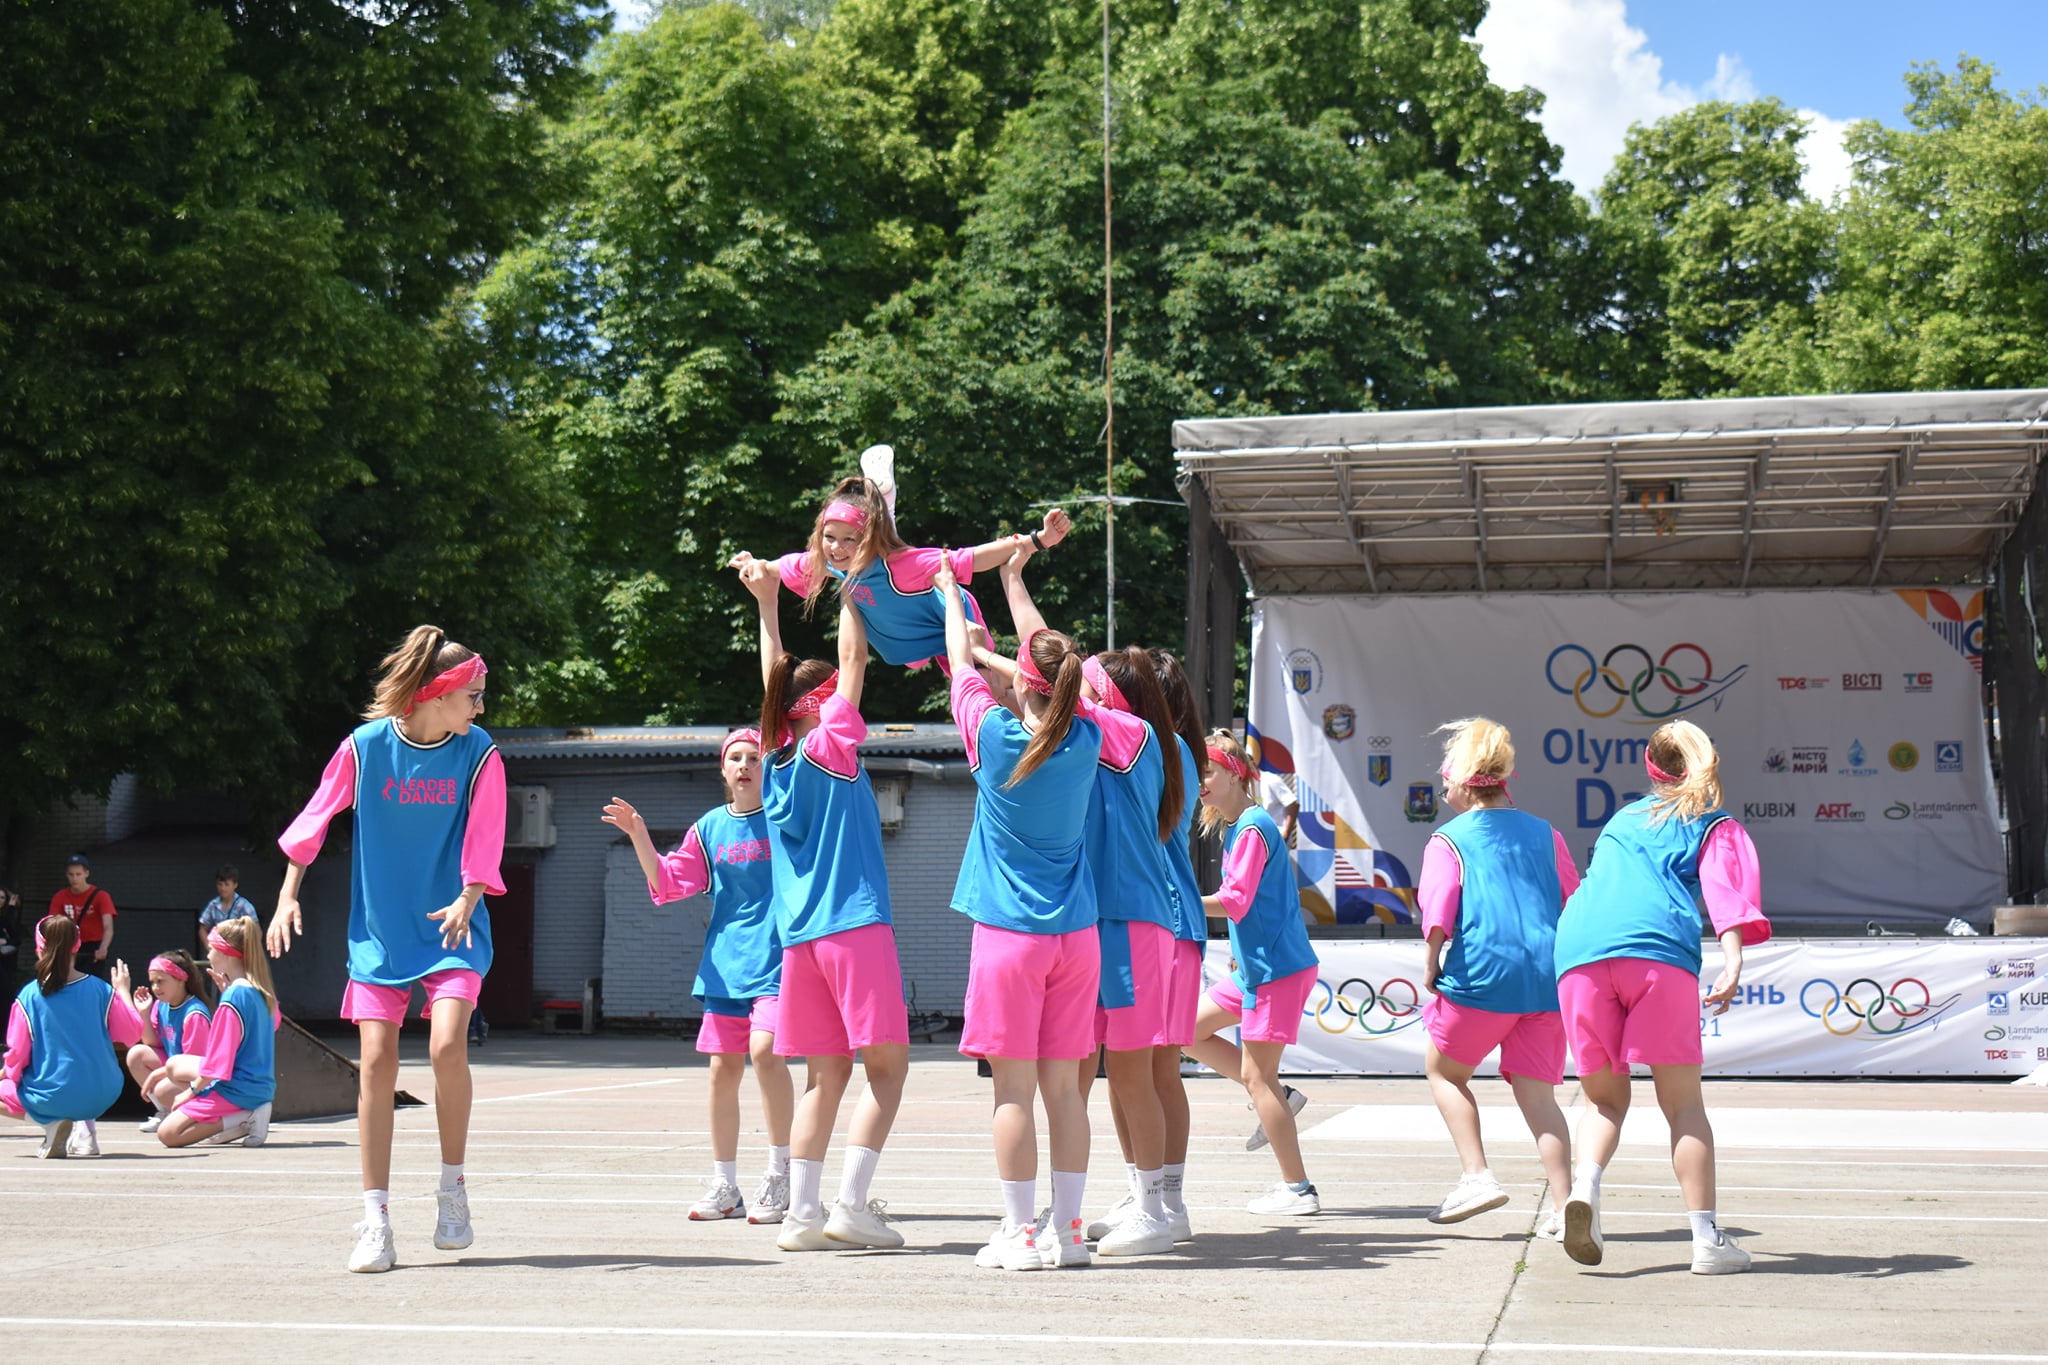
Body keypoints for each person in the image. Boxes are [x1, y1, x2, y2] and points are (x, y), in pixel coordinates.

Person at [268, 624, 506, 1274]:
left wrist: (469, 893)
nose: (481, 708)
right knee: (375, 1063)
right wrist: (288, 893)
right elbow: (315, 818)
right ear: (438, 692)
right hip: (380, 931)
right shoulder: (366, 748)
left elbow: (486, 833)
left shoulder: (478, 752)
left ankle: (452, 1188)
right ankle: (374, 1217)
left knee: (447, 1043)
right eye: (474, 696)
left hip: (455, 925)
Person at [938, 546, 1151, 1270]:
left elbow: (958, 667)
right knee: (1067, 1090)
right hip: (1077, 939)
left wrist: (948, 597)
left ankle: (1019, 1232)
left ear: (1021, 686)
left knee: (1013, 1092)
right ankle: (1066, 1231)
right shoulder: (1089, 736)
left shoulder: (994, 738)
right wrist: (1012, 655)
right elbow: (1064, 683)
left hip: (1010, 937)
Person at [1551, 719, 1770, 1275]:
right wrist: (1734, 959)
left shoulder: (1624, 818)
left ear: (1651, 768)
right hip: (1655, 952)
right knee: (1683, 1105)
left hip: (1578, 949)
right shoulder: (1715, 824)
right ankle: (1706, 1242)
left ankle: (1585, 1190)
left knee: (1602, 1100)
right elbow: (1727, 897)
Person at [737, 558, 911, 1252]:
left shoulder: (777, 760)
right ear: (822, 706)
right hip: (853, 927)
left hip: (800, 940)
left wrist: (768, 605)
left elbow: (775, 682)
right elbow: (849, 657)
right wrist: (853, 585)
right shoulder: (829, 746)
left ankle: (802, 1214)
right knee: (888, 1069)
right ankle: (850, 1204)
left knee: (824, 1076)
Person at [603, 728, 795, 1225]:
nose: (746, 764)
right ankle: (725, 1185)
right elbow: (667, 882)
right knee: (722, 1071)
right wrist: (639, 834)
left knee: (765, 1051)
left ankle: (780, 1173)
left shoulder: (785, 816)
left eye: (755, 756)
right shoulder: (710, 827)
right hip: (726, 966)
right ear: (724, 770)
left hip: (779, 960)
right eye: (736, 758)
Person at [1416, 718, 1578, 1240]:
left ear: (1463, 782)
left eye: (1446, 785)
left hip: (1483, 976)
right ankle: (1565, 1206)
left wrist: (1431, 963)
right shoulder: (1546, 832)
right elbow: (1573, 900)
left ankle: (1476, 1175)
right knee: (1540, 1097)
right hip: (1545, 980)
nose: (1445, 794)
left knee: (1444, 1073)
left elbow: (1439, 910)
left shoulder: (1449, 839)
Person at [1070, 644, 1185, 1259]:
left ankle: (1154, 1209)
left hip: (1135, 923)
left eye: (1087, 685)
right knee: (1080, 1072)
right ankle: (1077, 1203)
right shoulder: (1101, 742)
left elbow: (1054, 685)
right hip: (1099, 920)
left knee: (1133, 1073)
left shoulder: (1133, 733)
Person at [735, 470, 1072, 670]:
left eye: (849, 540)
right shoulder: (828, 562)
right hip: (905, 646)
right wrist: (755, 564)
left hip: (946, 620)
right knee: (918, 663)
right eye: (829, 537)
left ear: (867, 538)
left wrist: (1038, 540)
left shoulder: (904, 565)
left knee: (990, 693)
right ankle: (885, 509)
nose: (837, 548)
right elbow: (778, 567)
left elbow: (974, 557)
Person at [1186, 731, 1323, 1216]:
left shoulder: (1250, 827)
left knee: (1255, 1077)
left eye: (1207, 770)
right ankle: (1280, 1096)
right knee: (1185, 1029)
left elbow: (1235, 901)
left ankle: (1299, 1189)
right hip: (1259, 969)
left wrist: (1174, 903)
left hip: (1275, 971)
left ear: (1235, 772)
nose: (1199, 780)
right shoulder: (1242, 826)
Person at [2, 917, 143, 1157]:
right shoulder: (101, 990)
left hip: (53, 1095)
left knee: (17, 1083)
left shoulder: (29, 996)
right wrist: (123, 991)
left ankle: (51, 1124)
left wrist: (8, 1076)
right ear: (77, 946)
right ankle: (85, 1132)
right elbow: (132, 1034)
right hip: (103, 1092)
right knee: (78, 1074)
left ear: (39, 948)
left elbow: (17, 1055)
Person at [150, 919, 278, 1149]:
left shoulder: (233, 998)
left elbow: (220, 1062)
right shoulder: (259, 991)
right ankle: (245, 1112)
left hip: (238, 1089)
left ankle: (244, 1118)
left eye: (211, 949)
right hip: (260, 1084)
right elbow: (271, 1025)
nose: (208, 955)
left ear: (227, 953)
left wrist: (190, 1092)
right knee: (174, 1065)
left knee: (168, 1134)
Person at [118, 948, 216, 1133]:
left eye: (161, 981)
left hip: (196, 1080)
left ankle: (190, 1114)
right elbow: (150, 1043)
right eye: (152, 982)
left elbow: (194, 1065)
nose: (155, 987)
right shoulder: (161, 1005)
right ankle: (165, 1112)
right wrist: (144, 1013)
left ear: (180, 979)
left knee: (162, 1088)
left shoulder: (194, 1014)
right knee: (136, 1055)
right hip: (174, 1070)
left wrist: (158, 1074)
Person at [48, 854, 115, 978]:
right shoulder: (60, 897)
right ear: (66, 874)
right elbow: (52, 925)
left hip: (92, 948)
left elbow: (108, 927)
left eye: (78, 874)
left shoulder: (101, 896)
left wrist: (103, 948)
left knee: (91, 982)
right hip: (68, 944)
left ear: (86, 873)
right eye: (71, 874)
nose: (74, 878)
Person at [197, 864, 258, 952]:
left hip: (239, 953)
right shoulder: (213, 905)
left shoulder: (244, 905)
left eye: (227, 884)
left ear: (235, 885)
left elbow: (256, 930)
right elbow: (202, 929)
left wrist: (249, 950)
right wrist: (210, 948)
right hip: (220, 953)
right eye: (220, 884)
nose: (223, 888)